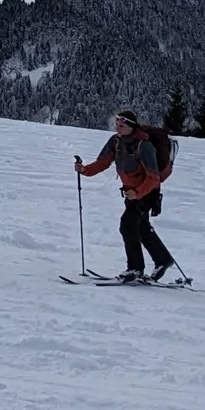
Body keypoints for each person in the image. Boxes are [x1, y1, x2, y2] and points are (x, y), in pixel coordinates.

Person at [75, 109, 175, 281]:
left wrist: (137, 193)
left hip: (147, 192)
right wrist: (85, 170)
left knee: (127, 225)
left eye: (121, 125)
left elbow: (153, 178)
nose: (118, 128)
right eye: (116, 125)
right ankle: (163, 260)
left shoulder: (144, 146)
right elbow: (103, 162)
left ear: (131, 126)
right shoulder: (116, 142)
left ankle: (135, 269)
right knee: (141, 228)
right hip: (131, 193)